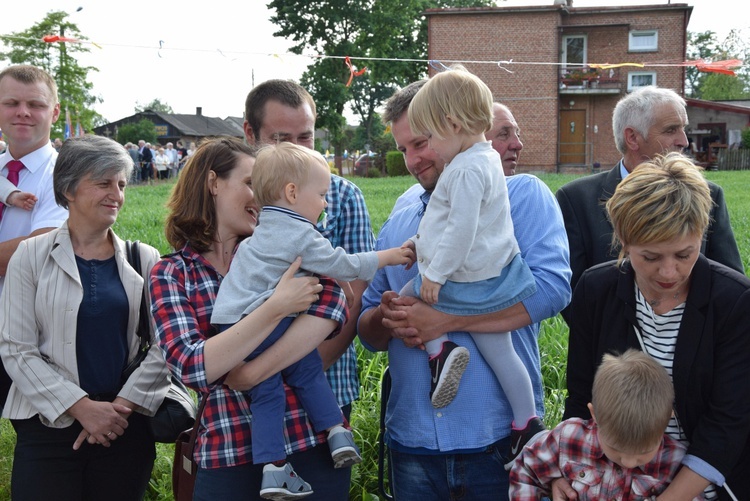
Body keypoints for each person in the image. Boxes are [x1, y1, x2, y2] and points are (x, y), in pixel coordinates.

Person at [357, 80, 571, 500]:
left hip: (494, 441)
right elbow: (367, 332)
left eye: (420, 142)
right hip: (412, 444)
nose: (414, 160)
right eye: (403, 149)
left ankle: (526, 425)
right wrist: (389, 315)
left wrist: (442, 319)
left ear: (449, 126)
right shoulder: (400, 218)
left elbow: (551, 291)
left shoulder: (520, 196)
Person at [150, 136, 354, 500]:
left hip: (312, 442)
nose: (262, 196)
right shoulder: (172, 273)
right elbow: (192, 365)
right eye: (250, 183)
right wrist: (276, 307)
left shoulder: (278, 247)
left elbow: (334, 302)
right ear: (213, 183)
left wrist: (250, 372)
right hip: (228, 452)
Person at [210, 142, 413, 499]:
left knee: (268, 393)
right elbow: (342, 265)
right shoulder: (300, 233)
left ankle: (274, 469)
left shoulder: (261, 231)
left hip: (231, 326)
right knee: (305, 370)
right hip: (264, 322)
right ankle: (335, 431)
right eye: (321, 194)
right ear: (292, 193)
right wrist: (391, 256)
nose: (325, 203)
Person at [561, 153, 750, 500]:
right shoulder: (594, 290)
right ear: (623, 240)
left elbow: (728, 425)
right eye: (650, 257)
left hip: (706, 486)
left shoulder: (735, 302)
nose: (669, 273)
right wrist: (563, 469)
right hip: (612, 481)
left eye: (684, 254)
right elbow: (581, 397)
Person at [0, 135, 170, 500]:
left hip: (123, 426)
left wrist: (116, 411)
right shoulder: (29, 256)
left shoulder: (145, 258)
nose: (117, 194)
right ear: (69, 189)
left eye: (121, 184)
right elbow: (16, 347)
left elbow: (164, 345)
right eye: (103, 182)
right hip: (47, 425)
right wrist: (80, 408)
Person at [243, 79, 376, 498]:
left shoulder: (342, 196)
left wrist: (294, 372)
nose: (299, 147)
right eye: (282, 138)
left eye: (307, 136)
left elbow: (352, 298)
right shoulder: (236, 197)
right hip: (242, 396)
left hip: (324, 381)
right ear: (251, 135)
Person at [402, 68, 542, 462]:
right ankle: (525, 422)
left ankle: (439, 353)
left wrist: (434, 274)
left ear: (453, 124)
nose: (429, 149)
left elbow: (461, 228)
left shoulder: (462, 169)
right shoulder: (485, 162)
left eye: (430, 138)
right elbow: (455, 223)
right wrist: (417, 242)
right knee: (502, 353)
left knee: (408, 297)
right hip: (494, 278)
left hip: (462, 279)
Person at [555, 86, 743, 301]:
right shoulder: (576, 199)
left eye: (683, 129)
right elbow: (572, 289)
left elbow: (729, 283)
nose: (684, 141)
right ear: (633, 138)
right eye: (671, 130)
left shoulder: (709, 195)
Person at [510, 350, 698, 499]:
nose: (629, 462)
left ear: (667, 421)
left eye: (643, 452)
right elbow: (526, 471)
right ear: (595, 415)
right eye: (616, 448)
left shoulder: (676, 463)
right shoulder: (569, 438)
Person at [0, 64, 69, 410]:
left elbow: (38, 249)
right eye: (11, 102)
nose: (23, 112)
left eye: (36, 105)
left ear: (54, 112)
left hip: (24, 331)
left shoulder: (65, 175)